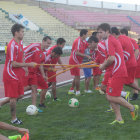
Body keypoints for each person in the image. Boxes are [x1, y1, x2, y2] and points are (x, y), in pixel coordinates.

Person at [98, 23, 139, 124]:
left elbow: (111, 58)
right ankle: (119, 118)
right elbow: (112, 57)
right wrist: (104, 64)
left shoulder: (110, 40)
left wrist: (103, 66)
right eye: (98, 32)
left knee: (111, 96)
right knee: (108, 94)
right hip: (115, 71)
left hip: (118, 71)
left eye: (101, 32)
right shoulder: (109, 40)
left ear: (107, 31)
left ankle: (133, 107)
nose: (99, 34)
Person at [2, 24, 36, 124]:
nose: (23, 33)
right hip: (10, 73)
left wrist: (25, 67)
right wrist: (28, 64)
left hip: (18, 72)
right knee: (13, 97)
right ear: (16, 33)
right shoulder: (12, 45)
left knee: (20, 95)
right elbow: (13, 63)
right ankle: (14, 119)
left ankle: (2, 102)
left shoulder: (20, 42)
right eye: (22, 31)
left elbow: (21, 57)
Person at [24, 36, 52, 109]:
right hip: (26, 71)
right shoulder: (34, 46)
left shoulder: (45, 52)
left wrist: (43, 75)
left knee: (35, 89)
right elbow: (22, 53)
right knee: (21, 91)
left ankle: (34, 107)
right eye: (47, 43)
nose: (48, 45)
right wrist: (24, 67)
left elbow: (41, 65)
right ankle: (5, 101)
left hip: (34, 73)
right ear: (43, 41)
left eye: (50, 44)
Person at [68, 29, 91, 96]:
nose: (87, 36)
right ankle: (77, 92)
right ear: (83, 34)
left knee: (76, 76)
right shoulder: (78, 41)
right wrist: (86, 55)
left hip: (77, 60)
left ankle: (71, 90)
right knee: (78, 76)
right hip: (74, 60)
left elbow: (88, 46)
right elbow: (77, 53)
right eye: (86, 34)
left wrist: (95, 46)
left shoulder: (83, 41)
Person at [120, 28, 140, 100]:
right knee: (127, 79)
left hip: (131, 63)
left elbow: (137, 50)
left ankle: (134, 93)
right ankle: (124, 94)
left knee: (130, 80)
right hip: (128, 63)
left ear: (124, 33)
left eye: (121, 33)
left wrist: (132, 60)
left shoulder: (130, 40)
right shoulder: (123, 40)